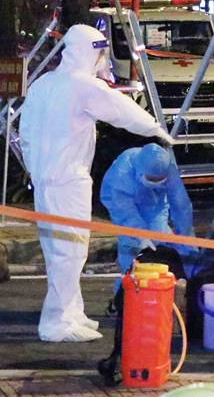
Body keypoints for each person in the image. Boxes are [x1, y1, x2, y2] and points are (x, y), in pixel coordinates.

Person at [19, 24, 172, 343]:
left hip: (46, 182)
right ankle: (56, 322)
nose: (102, 59)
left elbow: (26, 133)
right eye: (100, 52)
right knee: (70, 252)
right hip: (68, 182)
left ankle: (71, 312)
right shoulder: (82, 85)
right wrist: (156, 129)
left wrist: (35, 170)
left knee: (58, 251)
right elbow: (122, 110)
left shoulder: (43, 84)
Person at [100, 143, 197, 294]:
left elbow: (181, 204)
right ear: (140, 171)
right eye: (151, 179)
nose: (156, 182)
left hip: (155, 206)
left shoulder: (167, 168)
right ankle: (124, 296)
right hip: (123, 206)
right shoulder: (123, 171)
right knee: (131, 249)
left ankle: (161, 292)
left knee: (161, 242)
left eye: (160, 179)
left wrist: (185, 234)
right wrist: (140, 234)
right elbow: (125, 209)